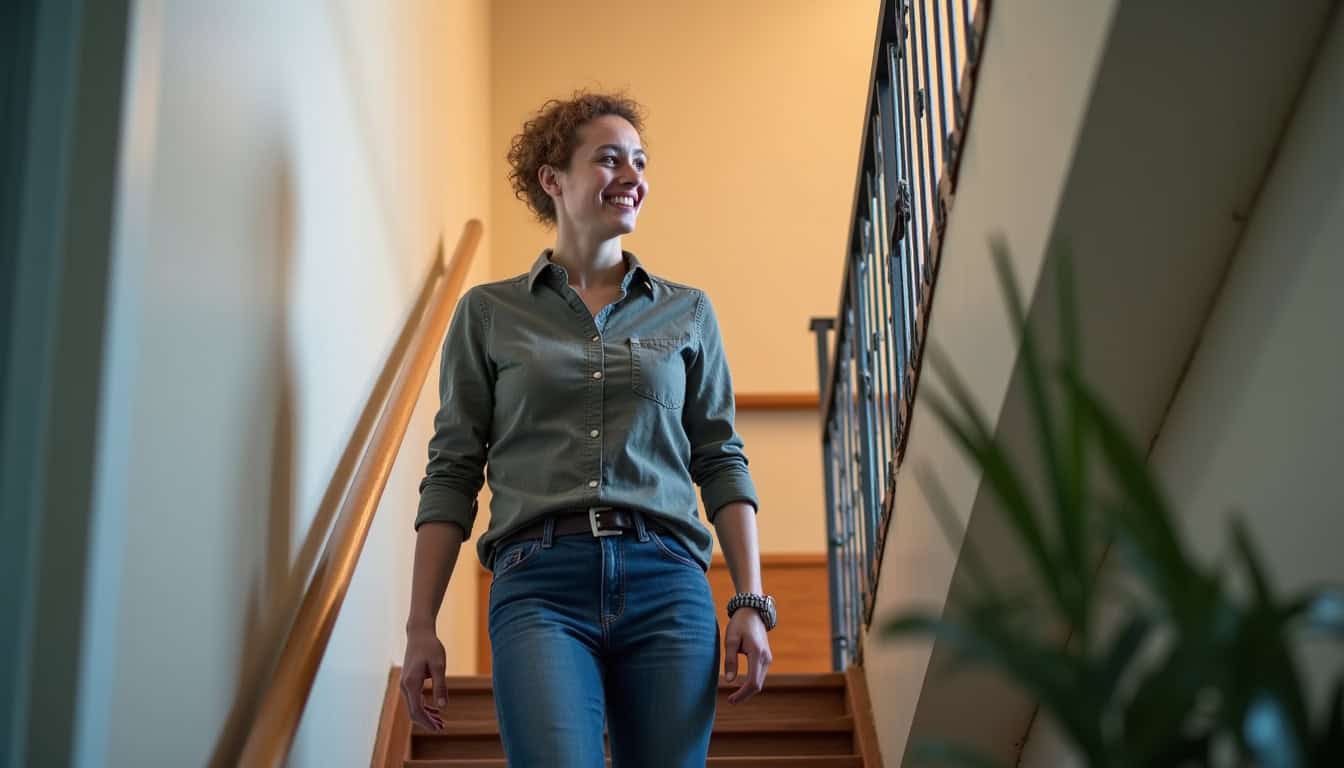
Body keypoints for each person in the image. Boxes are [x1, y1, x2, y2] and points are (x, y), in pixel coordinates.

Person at [399, 91, 776, 767]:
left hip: (668, 584)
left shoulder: (688, 313)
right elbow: (452, 469)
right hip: (538, 584)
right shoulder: (487, 314)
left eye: (639, 161)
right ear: (554, 179)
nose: (633, 176)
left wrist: (750, 599)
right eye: (609, 160)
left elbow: (720, 457)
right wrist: (420, 624)